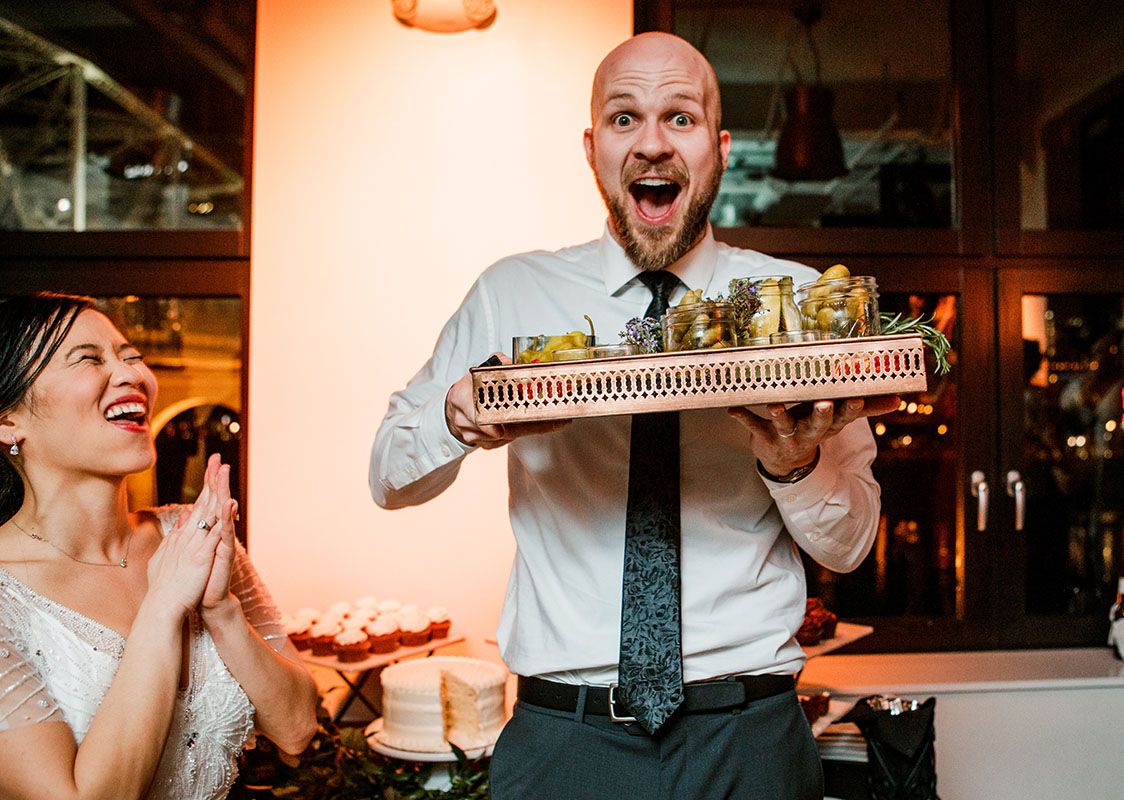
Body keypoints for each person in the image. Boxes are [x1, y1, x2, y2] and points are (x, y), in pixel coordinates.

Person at [370, 32, 898, 800]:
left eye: (678, 118)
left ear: (718, 149)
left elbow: (850, 547)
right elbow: (389, 476)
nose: (652, 143)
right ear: (592, 148)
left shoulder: (797, 307)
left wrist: (796, 465)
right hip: (564, 743)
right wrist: (456, 421)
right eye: (625, 119)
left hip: (747, 738)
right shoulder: (512, 294)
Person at [0, 293, 319, 800]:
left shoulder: (192, 535)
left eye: (131, 357)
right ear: (8, 421)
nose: (131, 375)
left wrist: (220, 608)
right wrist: (165, 604)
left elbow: (297, 729)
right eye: (89, 358)